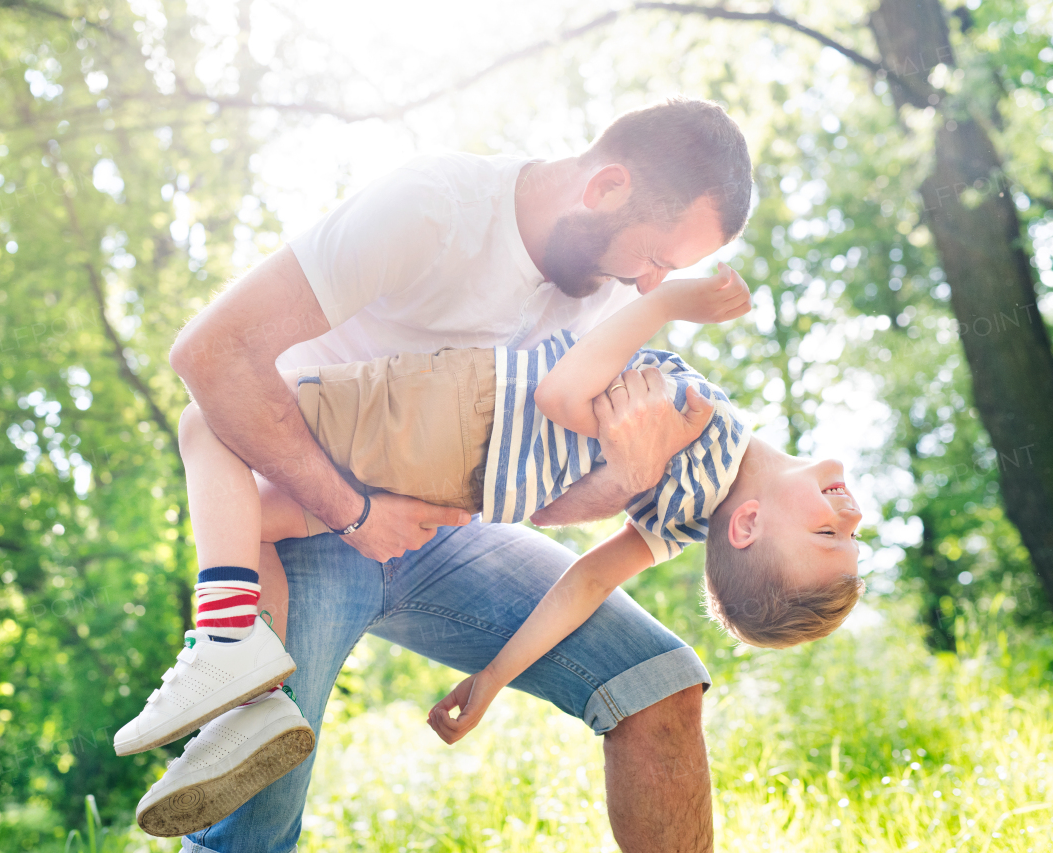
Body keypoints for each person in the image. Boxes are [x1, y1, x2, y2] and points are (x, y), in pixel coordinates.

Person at [163, 97, 754, 853]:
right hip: (305, 508)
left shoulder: (608, 298)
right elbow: (210, 354)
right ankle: (230, 672)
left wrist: (624, 477)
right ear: (606, 187)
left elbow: (542, 505)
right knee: (253, 815)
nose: (649, 287)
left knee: (659, 684)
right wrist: (353, 512)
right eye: (658, 260)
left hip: (452, 535)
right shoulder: (434, 208)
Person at [120, 263, 865, 836]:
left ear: (748, 526)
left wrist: (666, 302)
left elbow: (566, 393)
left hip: (450, 423)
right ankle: (255, 698)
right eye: (850, 534)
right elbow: (582, 580)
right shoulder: (684, 513)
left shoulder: (701, 424)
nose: (852, 513)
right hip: (458, 480)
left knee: (212, 423)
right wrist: (494, 679)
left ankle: (230, 651)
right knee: (256, 518)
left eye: (827, 532)